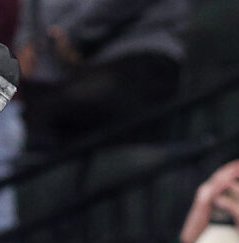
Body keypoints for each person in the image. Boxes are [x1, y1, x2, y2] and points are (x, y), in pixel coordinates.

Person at [13, 0, 185, 158]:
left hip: (141, 54)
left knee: (50, 119)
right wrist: (26, 39)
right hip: (73, 66)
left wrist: (74, 35)